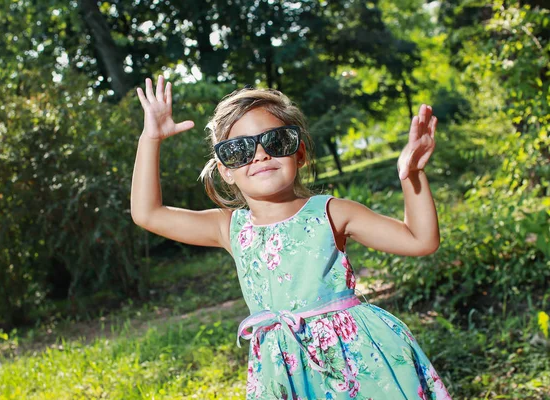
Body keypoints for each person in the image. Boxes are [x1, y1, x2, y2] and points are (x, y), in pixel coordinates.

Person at [130, 75, 453, 399]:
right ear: (225, 169)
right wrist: (150, 138)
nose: (259, 155)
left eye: (276, 141)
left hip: (356, 364)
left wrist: (412, 175)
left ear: (299, 153)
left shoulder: (332, 211)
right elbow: (148, 214)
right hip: (283, 371)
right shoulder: (228, 227)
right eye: (238, 150)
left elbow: (420, 240)